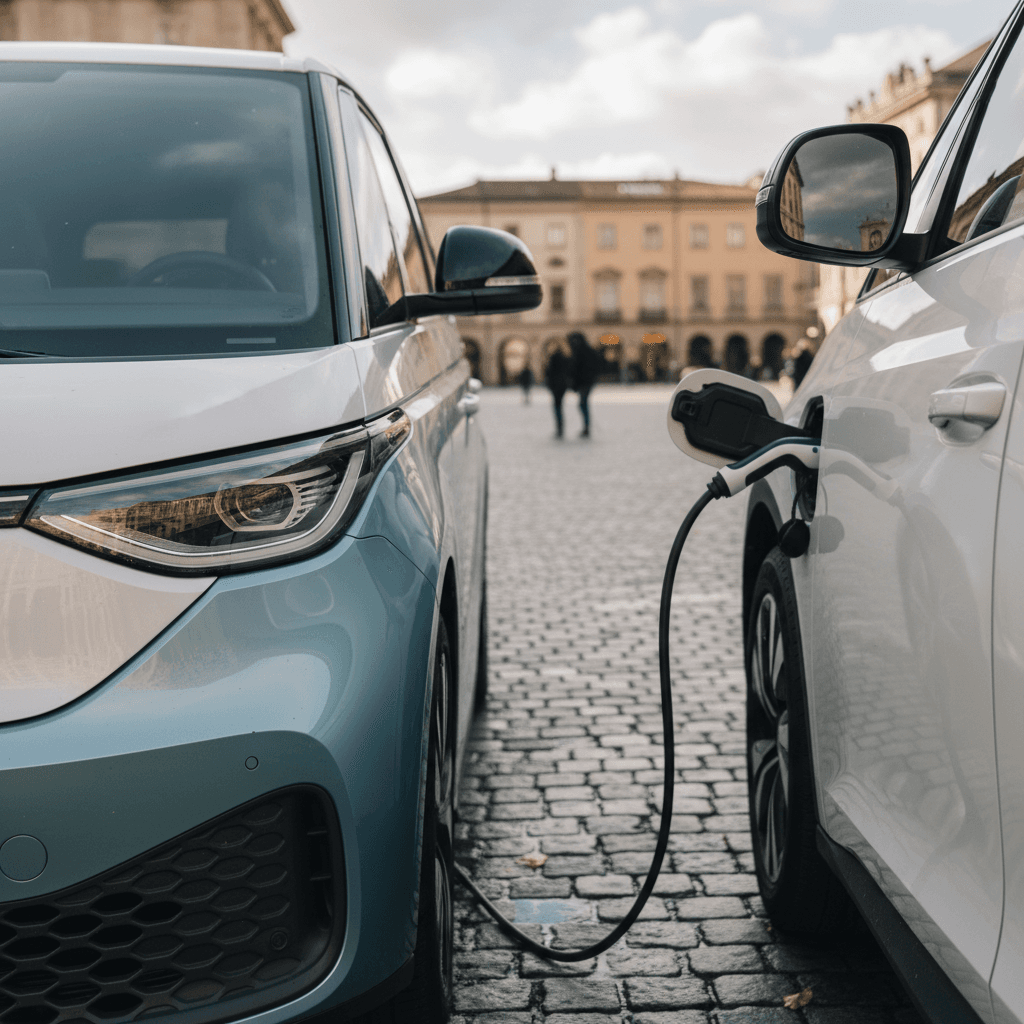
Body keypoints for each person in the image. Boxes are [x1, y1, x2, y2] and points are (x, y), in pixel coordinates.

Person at [568, 331, 600, 437]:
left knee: (582, 403)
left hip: (585, 382)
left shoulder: (581, 352)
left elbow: (577, 368)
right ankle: (586, 426)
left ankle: (586, 427)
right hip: (586, 381)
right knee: (583, 404)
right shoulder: (585, 351)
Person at [544, 342, 571, 438]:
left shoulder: (553, 359)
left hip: (555, 385)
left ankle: (559, 428)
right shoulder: (565, 360)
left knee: (557, 407)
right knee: (559, 406)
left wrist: (548, 383)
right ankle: (560, 427)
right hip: (563, 385)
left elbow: (549, 372)